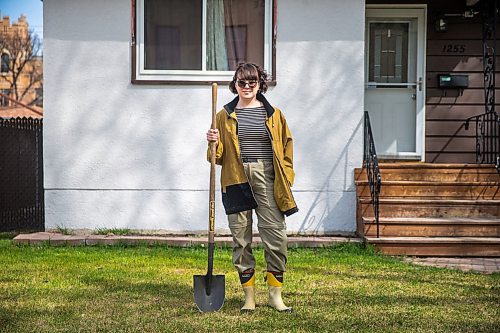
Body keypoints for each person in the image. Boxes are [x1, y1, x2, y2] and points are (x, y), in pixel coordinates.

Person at [206, 63, 298, 312]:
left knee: (275, 235)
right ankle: (249, 298)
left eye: (252, 82)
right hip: (236, 178)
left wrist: (286, 177)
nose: (247, 87)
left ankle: (275, 296)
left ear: (260, 84)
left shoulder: (274, 114)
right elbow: (218, 158)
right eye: (242, 82)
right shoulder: (223, 116)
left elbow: (287, 148)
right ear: (234, 84)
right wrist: (213, 143)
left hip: (268, 177)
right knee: (241, 239)